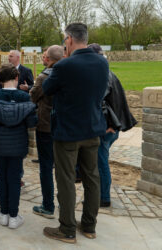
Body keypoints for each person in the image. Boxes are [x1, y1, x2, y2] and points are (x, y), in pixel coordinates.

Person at [42, 23, 109, 244]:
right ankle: (90, 225)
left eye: (64, 40)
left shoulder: (64, 65)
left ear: (69, 39)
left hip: (68, 132)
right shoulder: (102, 62)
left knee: (66, 179)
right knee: (92, 178)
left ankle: (67, 228)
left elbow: (47, 89)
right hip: (92, 128)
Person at [0, 63, 37, 229]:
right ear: (17, 78)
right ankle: (13, 215)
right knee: (14, 178)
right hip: (18, 144)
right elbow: (31, 122)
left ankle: (4, 213)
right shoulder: (25, 97)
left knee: (1, 177)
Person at [88, 43, 137, 207]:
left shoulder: (103, 76)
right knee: (100, 162)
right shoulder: (110, 73)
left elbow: (100, 101)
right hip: (111, 126)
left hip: (106, 127)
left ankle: (103, 198)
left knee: (100, 163)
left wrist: (109, 124)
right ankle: (100, 195)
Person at [30, 45, 64, 219]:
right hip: (65, 126)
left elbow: (33, 96)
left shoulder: (44, 77)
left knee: (46, 167)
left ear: (48, 59)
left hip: (46, 126)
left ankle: (48, 205)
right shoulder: (70, 75)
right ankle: (65, 206)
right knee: (63, 168)